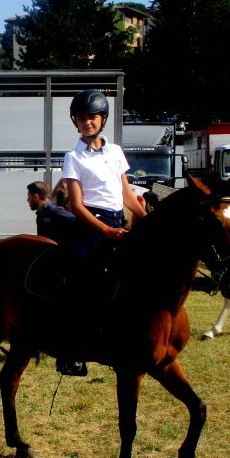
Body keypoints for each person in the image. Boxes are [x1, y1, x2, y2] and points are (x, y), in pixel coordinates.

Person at [58, 89, 147, 376]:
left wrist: (146, 220)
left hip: (118, 223)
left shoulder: (115, 152)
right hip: (90, 227)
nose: (87, 123)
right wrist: (105, 230)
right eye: (81, 118)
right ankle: (69, 351)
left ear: (103, 119)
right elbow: (75, 205)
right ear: (76, 122)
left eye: (92, 117)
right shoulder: (73, 157)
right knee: (81, 282)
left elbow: (127, 194)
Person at [26, 180, 77, 245]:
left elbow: (75, 220)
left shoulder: (53, 210)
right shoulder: (40, 214)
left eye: (29, 196)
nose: (27, 200)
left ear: (36, 196)